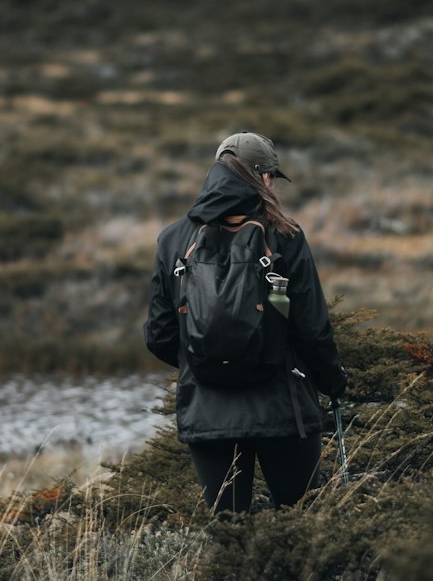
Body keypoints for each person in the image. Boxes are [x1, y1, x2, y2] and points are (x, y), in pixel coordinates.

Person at [144, 131, 347, 514]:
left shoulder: (172, 239)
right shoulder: (286, 235)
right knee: (300, 526)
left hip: (208, 413)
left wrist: (204, 361)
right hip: (283, 411)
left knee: (229, 536)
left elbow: (158, 335)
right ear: (263, 177)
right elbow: (311, 329)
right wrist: (333, 382)